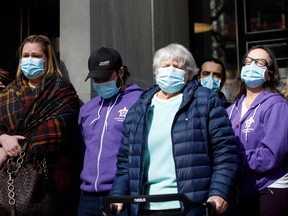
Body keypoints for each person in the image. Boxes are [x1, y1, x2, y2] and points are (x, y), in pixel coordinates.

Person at [108, 43, 239, 216]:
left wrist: (218, 192)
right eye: (165, 66)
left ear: (189, 74)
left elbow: (225, 152)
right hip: (146, 207)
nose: (170, 70)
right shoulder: (139, 109)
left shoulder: (205, 101)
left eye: (177, 66)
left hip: (189, 205)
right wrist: (117, 195)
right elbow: (126, 161)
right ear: (156, 72)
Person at [0, 35, 81, 215]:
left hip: (51, 174)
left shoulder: (61, 89)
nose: (29, 60)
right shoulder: (9, 92)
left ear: (47, 59)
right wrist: (4, 137)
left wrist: (7, 149)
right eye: (25, 55)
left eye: (36, 56)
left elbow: (58, 128)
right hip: (10, 176)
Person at [77, 47, 143, 216]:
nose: (100, 82)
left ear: (121, 71)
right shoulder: (87, 109)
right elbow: (83, 149)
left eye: (105, 77)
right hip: (88, 196)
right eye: (96, 79)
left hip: (123, 194)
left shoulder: (140, 101)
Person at [226, 45, 288, 216]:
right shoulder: (231, 110)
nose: (252, 66)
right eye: (248, 61)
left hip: (270, 187)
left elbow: (272, 154)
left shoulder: (276, 104)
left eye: (260, 63)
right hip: (245, 189)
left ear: (269, 73)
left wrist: (234, 161)